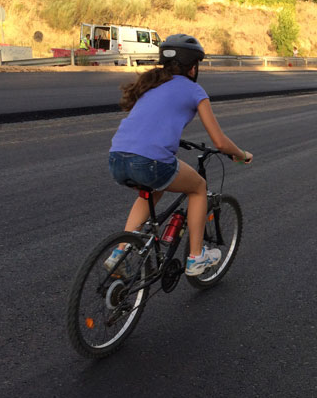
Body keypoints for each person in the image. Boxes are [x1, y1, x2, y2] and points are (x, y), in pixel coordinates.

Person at [107, 33, 253, 277]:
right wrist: (240, 154)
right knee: (198, 188)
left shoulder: (151, 83)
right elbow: (219, 141)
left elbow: (149, 122)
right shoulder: (195, 90)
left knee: (153, 190)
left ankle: (120, 252)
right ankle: (196, 258)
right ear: (193, 67)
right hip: (150, 161)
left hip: (117, 157)